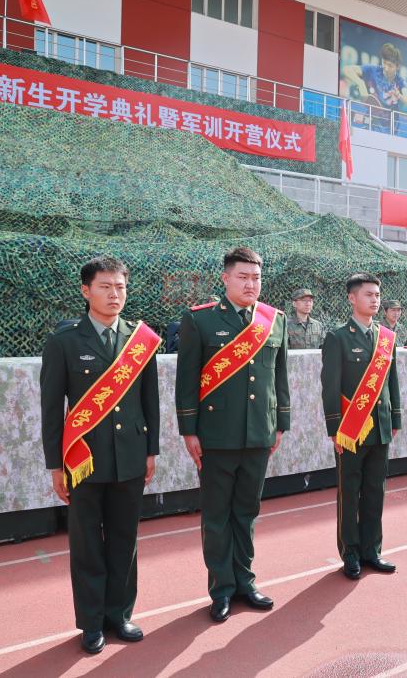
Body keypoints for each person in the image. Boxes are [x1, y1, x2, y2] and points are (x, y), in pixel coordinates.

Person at [40, 256, 161, 654]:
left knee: (125, 540)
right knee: (88, 544)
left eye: (120, 287)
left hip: (130, 456)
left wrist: (151, 450)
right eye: (105, 287)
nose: (114, 295)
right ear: (86, 290)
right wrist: (55, 465)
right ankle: (91, 623)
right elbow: (51, 410)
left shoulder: (140, 340)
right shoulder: (64, 342)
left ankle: (119, 614)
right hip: (83, 460)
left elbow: (150, 401)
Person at [175, 247, 290, 622]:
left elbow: (280, 378)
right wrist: (189, 430)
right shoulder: (200, 320)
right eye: (243, 277)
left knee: (247, 512)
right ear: (225, 278)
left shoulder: (274, 320)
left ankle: (245, 582)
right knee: (216, 516)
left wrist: (280, 423)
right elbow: (186, 381)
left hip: (259, 434)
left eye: (256, 277)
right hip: (216, 436)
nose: (250, 284)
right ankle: (221, 589)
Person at [321, 273, 402, 580]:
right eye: (368, 294)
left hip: (379, 427)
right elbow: (330, 387)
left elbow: (392, 381)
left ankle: (372, 550)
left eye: (377, 295)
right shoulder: (338, 338)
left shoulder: (386, 337)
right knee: (350, 493)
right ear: (352, 298)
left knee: (375, 491)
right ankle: (351, 553)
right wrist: (334, 430)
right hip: (351, 430)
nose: (375, 300)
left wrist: (395, 418)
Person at [340, 42, 407, 113]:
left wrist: (399, 95)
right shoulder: (373, 70)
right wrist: (360, 83)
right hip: (371, 115)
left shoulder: (400, 81)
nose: (386, 68)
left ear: (397, 67)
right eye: (384, 63)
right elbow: (346, 70)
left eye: (390, 65)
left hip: (389, 119)